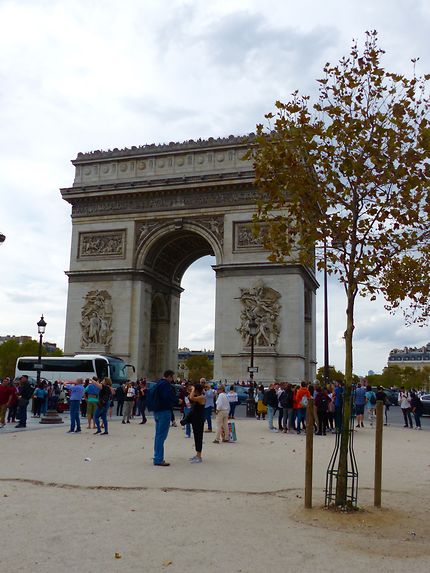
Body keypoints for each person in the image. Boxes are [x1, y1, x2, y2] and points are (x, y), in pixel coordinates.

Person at [152, 370, 180, 466]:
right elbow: (167, 397)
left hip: (157, 411)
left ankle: (157, 456)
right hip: (164, 411)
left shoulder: (158, 383)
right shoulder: (166, 385)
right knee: (161, 436)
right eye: (172, 377)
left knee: (158, 436)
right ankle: (158, 459)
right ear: (168, 376)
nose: (172, 379)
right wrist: (177, 400)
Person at [188, 383, 206, 463]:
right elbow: (190, 398)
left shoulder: (201, 397)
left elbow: (191, 397)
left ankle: (199, 456)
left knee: (199, 437)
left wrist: (192, 389)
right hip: (196, 419)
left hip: (199, 420)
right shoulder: (199, 397)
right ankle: (197, 455)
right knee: (196, 437)